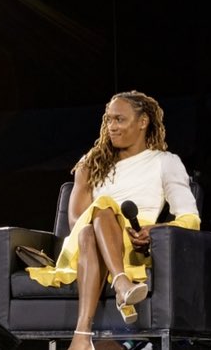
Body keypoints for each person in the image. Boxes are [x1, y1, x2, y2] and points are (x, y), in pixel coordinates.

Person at [26, 91, 201, 350]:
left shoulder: (165, 162)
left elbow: (191, 219)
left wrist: (154, 231)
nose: (112, 127)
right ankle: (121, 284)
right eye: (108, 120)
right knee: (98, 216)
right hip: (85, 246)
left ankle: (81, 337)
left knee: (97, 220)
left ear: (143, 122)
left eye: (119, 119)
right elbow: (75, 221)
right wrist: (103, 213)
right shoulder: (91, 164)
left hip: (133, 246)